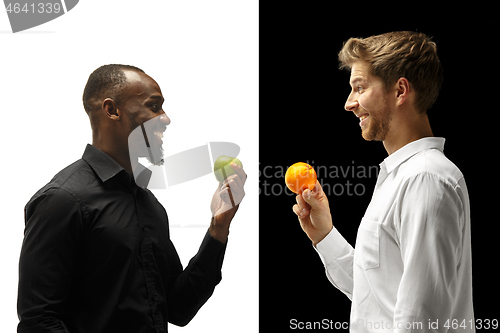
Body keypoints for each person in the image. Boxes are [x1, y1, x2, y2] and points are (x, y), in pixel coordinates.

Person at [17, 64, 246, 333]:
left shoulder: (149, 205)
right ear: (112, 110)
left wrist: (218, 228)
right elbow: (39, 322)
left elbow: (178, 308)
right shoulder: (61, 200)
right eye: (154, 106)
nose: (166, 118)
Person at [292, 32, 474, 332]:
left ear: (400, 90)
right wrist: (325, 235)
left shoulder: (424, 179)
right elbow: (377, 295)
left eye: (359, 88)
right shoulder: (402, 176)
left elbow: (420, 321)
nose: (349, 103)